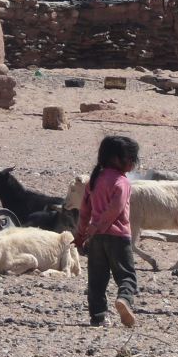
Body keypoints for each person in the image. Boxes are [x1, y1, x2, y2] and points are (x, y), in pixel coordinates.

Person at [75, 135, 141, 328]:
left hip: (95, 239)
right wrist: (100, 226)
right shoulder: (122, 182)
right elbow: (116, 208)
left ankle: (98, 317)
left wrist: (81, 234)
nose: (132, 163)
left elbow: (84, 211)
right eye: (130, 158)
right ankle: (124, 300)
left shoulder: (94, 181)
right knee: (126, 276)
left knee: (96, 279)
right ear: (117, 159)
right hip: (118, 237)